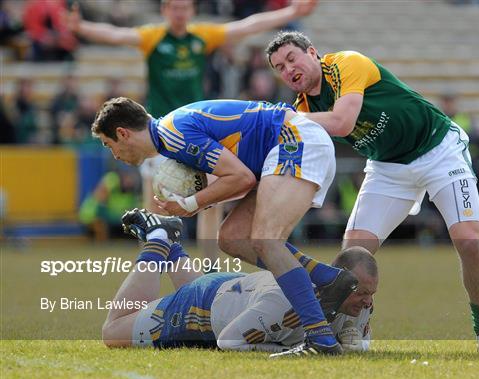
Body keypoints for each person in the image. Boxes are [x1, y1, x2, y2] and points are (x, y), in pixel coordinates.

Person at [264, 31, 479, 354]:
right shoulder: (304, 108)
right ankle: (353, 329)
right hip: (387, 166)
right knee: (352, 256)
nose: (288, 69)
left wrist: (284, 120)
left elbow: (342, 122)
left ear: (312, 52)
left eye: (292, 58)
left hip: (438, 148)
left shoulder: (345, 65)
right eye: (279, 67)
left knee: (469, 240)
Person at [91, 96, 358, 357]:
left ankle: (320, 338)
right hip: (283, 147)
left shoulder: (173, 133)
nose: (114, 155)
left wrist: (191, 203)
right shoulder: (170, 134)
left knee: (267, 241)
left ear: (122, 133)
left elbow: (240, 178)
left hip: (293, 140)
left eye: (108, 144)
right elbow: (240, 175)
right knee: (231, 237)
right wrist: (196, 202)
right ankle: (328, 278)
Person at [66, 0, 317, 262]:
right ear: (164, 11)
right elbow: (116, 35)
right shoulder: (153, 37)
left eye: (184, 7)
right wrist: (81, 26)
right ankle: (153, 267)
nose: (179, 12)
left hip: (197, 134)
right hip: (156, 136)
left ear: (192, 11)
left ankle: (209, 270)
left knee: (211, 204)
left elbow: (245, 26)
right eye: (174, 7)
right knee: (156, 207)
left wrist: (292, 12)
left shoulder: (202, 36)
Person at [103, 208, 377, 354]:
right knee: (113, 331)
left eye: (370, 293)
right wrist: (297, 346)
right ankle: (159, 239)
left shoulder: (358, 301)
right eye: (361, 292)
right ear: (342, 280)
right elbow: (228, 341)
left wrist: (357, 346)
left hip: (234, 291)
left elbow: (361, 341)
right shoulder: (281, 304)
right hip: (201, 308)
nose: (366, 301)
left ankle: (171, 243)